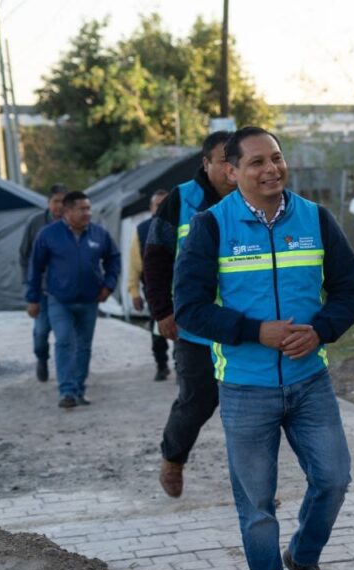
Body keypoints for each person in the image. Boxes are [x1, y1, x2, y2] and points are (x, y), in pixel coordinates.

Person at [174, 126, 354, 570]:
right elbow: (189, 309)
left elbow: (349, 289)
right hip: (243, 387)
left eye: (276, 159)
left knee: (334, 479)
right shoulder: (210, 227)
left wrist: (321, 330)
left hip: (310, 382)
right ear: (232, 172)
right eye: (257, 162)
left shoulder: (315, 218)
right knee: (257, 505)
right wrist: (255, 331)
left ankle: (302, 557)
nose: (271, 169)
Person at [144, 131, 235, 498]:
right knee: (198, 400)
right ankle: (173, 456)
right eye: (223, 162)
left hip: (246, 326)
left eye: (236, 161)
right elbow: (155, 257)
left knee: (253, 408)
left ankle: (254, 483)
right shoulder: (182, 199)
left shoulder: (256, 196)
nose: (231, 170)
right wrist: (163, 311)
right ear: (206, 163)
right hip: (196, 325)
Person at [26, 191, 121, 408]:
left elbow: (114, 259)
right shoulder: (48, 235)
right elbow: (35, 267)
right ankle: (66, 392)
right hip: (59, 300)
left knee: (84, 346)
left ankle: (78, 388)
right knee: (65, 341)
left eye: (89, 208)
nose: (88, 213)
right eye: (82, 209)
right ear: (67, 212)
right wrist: (32, 298)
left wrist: (109, 285)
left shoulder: (99, 234)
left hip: (90, 301)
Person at [19, 183, 67, 382]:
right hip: (40, 288)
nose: (59, 206)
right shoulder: (36, 223)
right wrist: (28, 287)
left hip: (64, 290)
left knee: (65, 335)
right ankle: (41, 358)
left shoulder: (72, 223)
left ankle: (68, 376)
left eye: (63, 202)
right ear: (48, 203)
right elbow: (24, 255)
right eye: (56, 201)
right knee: (41, 332)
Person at [127, 188, 171, 381]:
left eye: (165, 203)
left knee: (186, 330)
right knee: (158, 330)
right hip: (156, 290)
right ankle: (161, 365)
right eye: (158, 205)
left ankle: (182, 365)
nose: (162, 208)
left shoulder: (184, 223)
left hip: (180, 288)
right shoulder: (143, 229)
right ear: (151, 207)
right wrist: (134, 291)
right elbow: (135, 264)